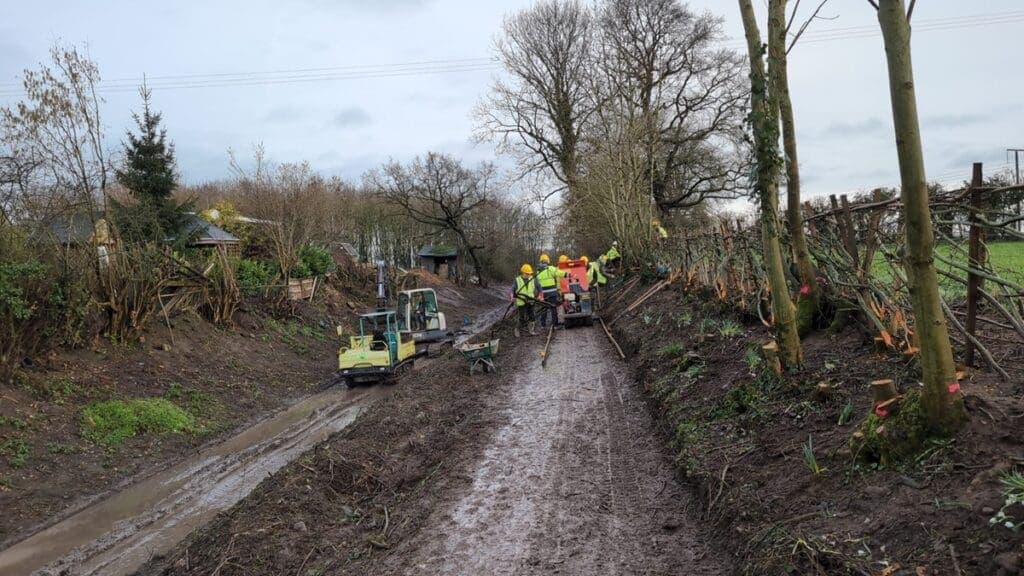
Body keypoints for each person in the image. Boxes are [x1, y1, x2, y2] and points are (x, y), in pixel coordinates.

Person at [535, 254, 563, 328]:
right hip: (552, 293)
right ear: (548, 261)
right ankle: (555, 325)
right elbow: (560, 273)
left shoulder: (538, 272)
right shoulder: (551, 268)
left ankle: (543, 325)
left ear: (540, 261)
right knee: (553, 308)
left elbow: (536, 284)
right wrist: (568, 274)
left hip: (543, 294)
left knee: (543, 309)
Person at [512, 264, 539, 337]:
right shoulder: (517, 280)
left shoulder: (532, 279)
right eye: (527, 273)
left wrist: (540, 295)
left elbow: (539, 287)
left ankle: (531, 330)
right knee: (522, 317)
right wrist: (512, 296)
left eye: (529, 273)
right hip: (522, 301)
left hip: (531, 301)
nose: (529, 275)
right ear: (523, 272)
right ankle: (517, 330)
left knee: (532, 316)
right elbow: (513, 290)